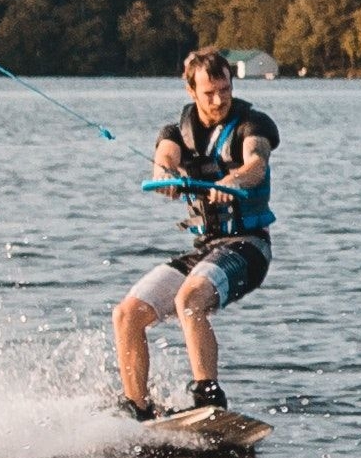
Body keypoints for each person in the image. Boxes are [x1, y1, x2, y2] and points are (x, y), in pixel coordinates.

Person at [114, 46, 279, 419]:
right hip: (205, 249)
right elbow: (165, 160)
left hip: (248, 248)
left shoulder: (253, 125)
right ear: (191, 92)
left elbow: (256, 161)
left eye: (225, 89)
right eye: (209, 92)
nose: (219, 99)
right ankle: (137, 408)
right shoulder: (176, 132)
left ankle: (208, 397)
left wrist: (233, 180)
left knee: (190, 298)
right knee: (127, 314)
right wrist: (166, 177)